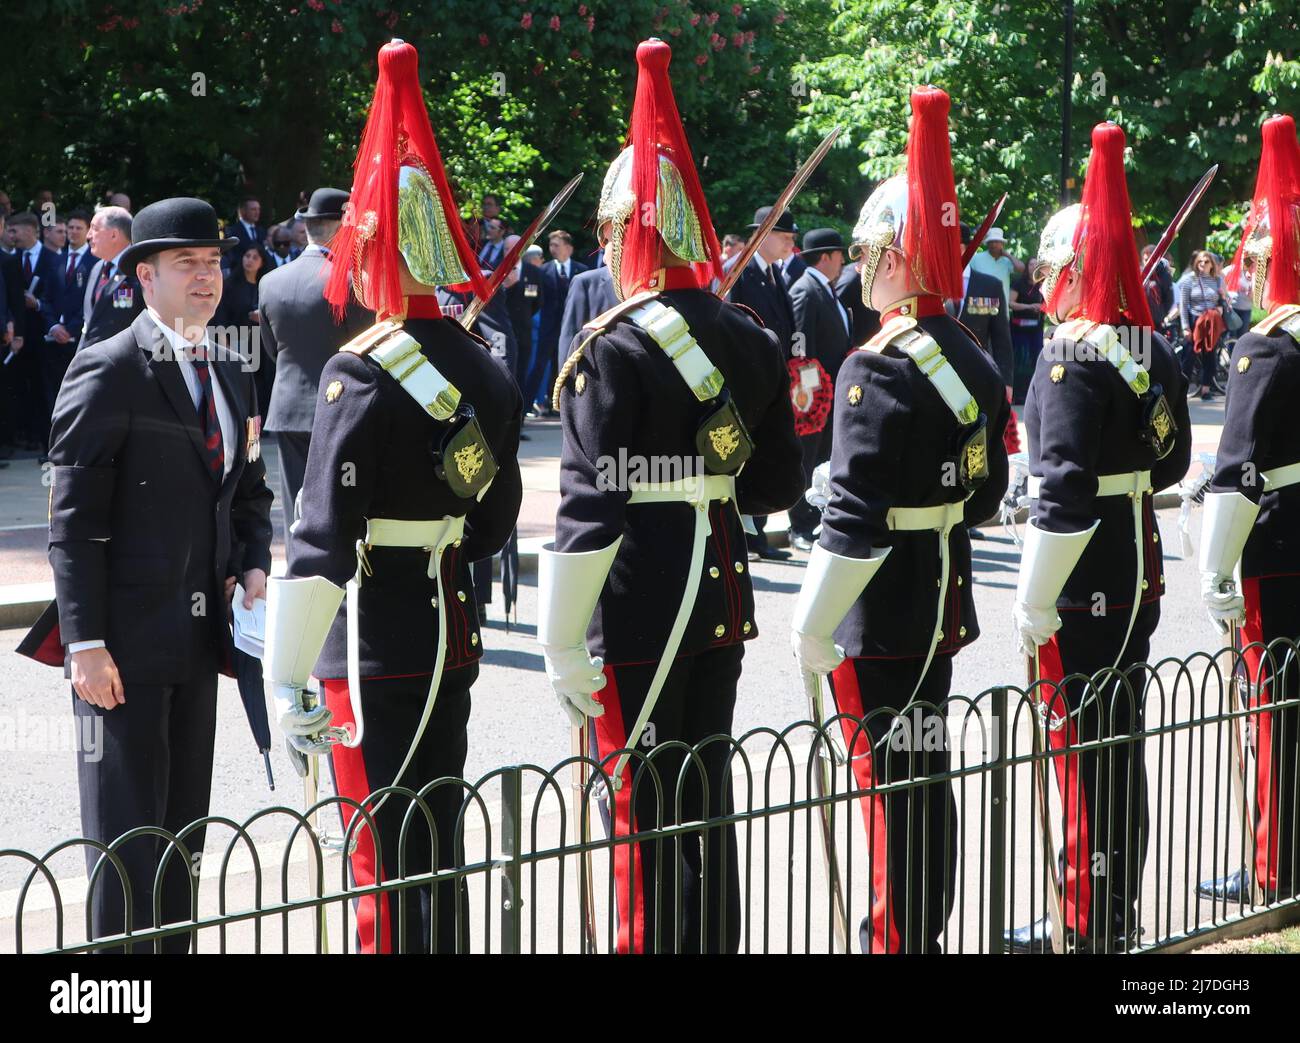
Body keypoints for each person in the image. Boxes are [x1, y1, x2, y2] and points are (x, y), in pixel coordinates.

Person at [539, 38, 803, 954]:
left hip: (638, 599)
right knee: (704, 795)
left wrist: (559, 635)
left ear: (621, 234)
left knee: (634, 809)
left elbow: (590, 507)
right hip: (721, 588)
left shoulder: (610, 345)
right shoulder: (749, 335)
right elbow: (775, 484)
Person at [262, 39, 522, 955]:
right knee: (437, 834)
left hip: (369, 637)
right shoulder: (480, 366)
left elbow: (323, 538)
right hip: (448, 624)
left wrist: (283, 667)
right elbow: (492, 522)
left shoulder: (356, 370)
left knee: (377, 851)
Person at [790, 86, 1010, 954]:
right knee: (928, 774)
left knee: (884, 780)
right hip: (942, 596)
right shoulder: (971, 354)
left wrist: (811, 623)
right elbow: (986, 494)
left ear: (887, 256)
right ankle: (921, 928)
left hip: (878, 616)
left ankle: (893, 938)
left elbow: (853, 519)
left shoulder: (871, 365)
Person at [23, 197, 273, 952]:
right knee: (128, 847)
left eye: (214, 263)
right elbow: (72, 524)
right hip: (122, 651)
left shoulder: (230, 368)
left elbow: (249, 490)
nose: (206, 279)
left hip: (199, 645)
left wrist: (253, 562)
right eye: (186, 264)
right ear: (144, 275)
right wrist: (84, 642)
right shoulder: (108, 368)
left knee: (181, 840)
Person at [1007, 122, 1191, 953]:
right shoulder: (1145, 348)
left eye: (1051, 270)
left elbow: (1064, 490)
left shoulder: (1067, 357)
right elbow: (1176, 460)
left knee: (1081, 750)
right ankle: (1113, 911)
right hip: (1136, 563)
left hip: (1081, 578)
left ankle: (1084, 920)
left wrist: (1034, 596)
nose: (1044, 284)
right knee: (1120, 743)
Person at [1197, 113, 1300, 906]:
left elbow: (1238, 471)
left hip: (1278, 547)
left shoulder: (1265, 344)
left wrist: (1213, 569)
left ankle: (1276, 870)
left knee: (1273, 711)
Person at [257, 187, 372, 539]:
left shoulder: (270, 281)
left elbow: (272, 349)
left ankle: (300, 580)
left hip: (288, 406)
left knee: (297, 507)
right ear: (342, 227)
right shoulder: (351, 281)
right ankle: (330, 587)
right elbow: (366, 350)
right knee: (337, 506)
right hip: (339, 408)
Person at [724, 204, 799, 560]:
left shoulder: (773, 273)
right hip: (746, 382)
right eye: (784, 237)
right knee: (741, 461)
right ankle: (742, 537)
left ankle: (758, 537)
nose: (789, 244)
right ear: (762, 235)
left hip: (771, 379)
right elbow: (731, 329)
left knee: (762, 457)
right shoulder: (738, 272)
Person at [787, 227, 852, 551]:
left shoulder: (826, 288)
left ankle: (816, 519)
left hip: (831, 390)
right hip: (814, 393)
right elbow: (800, 345)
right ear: (825, 256)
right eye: (839, 254)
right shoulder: (806, 289)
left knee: (825, 457)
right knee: (808, 457)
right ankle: (800, 523)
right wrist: (811, 392)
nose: (843, 260)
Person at [522, 229, 588, 416]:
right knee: (540, 366)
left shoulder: (581, 271)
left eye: (556, 245)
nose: (552, 249)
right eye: (551, 245)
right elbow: (532, 298)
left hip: (572, 328)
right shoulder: (542, 271)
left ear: (569, 248)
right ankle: (526, 409)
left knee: (569, 367)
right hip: (548, 328)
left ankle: (569, 408)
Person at [215, 243, 273, 417]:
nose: (249, 260)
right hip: (238, 340)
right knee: (242, 382)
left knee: (262, 382)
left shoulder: (266, 285)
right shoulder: (230, 285)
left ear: (262, 262)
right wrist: (226, 346)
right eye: (247, 256)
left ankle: (261, 420)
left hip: (262, 342)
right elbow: (221, 318)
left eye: (255, 257)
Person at [77, 206, 142, 352]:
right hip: (90, 359)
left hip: (124, 364)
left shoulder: (138, 271)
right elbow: (89, 324)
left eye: (94, 228)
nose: (88, 235)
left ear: (114, 235)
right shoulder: (97, 268)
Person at [1177, 249, 1228, 398]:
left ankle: (1206, 389)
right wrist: (1185, 327)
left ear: (1212, 264)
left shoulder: (1217, 280)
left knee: (1210, 355)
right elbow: (1183, 305)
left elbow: (1223, 300)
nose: (1203, 264)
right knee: (1189, 356)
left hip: (1211, 322)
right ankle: (1182, 388)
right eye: (1200, 261)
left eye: (1206, 262)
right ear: (1195, 263)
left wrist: (1221, 306)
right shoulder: (1188, 280)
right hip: (1195, 320)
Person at [1009, 258, 1046, 403]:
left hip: (1036, 328)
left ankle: (1034, 394)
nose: (1033, 267)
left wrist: (1041, 308)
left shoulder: (1044, 285)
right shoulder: (1019, 283)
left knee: (1036, 358)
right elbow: (1010, 303)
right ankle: (1018, 394)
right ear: (1027, 267)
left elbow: (1050, 304)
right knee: (1021, 359)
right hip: (1019, 328)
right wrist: (1029, 307)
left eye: (1037, 265)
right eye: (1031, 264)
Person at [967, 226, 1021, 298]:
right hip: (981, 303)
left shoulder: (1007, 260)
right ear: (987, 243)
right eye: (991, 242)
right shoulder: (976, 258)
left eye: (996, 242)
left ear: (1002, 244)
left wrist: (1008, 255)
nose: (993, 245)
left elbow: (1021, 269)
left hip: (1001, 303)